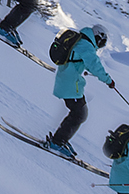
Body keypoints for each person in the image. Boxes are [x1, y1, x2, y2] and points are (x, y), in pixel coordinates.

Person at [45, 22, 116, 159]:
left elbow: (83, 62)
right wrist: (109, 81)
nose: (101, 45)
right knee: (79, 114)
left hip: (68, 81)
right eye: (102, 42)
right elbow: (95, 66)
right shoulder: (86, 47)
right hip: (71, 84)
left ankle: (59, 139)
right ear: (98, 37)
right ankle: (57, 141)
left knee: (78, 113)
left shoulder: (81, 41)